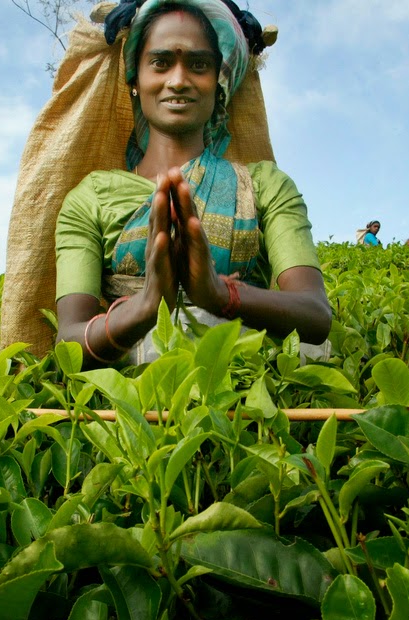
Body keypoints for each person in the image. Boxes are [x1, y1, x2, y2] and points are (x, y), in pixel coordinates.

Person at [54, 0, 331, 366]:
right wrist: (145, 306)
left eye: (198, 65)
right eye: (161, 62)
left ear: (219, 82)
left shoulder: (266, 186)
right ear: (135, 80)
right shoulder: (90, 197)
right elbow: (67, 346)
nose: (179, 80)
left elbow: (315, 315)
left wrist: (220, 295)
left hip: (245, 408)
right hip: (128, 412)